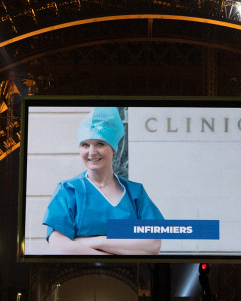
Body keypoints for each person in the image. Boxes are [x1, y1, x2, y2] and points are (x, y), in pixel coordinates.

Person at [43, 106, 164, 255]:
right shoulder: (68, 191)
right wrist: (111, 258)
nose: (92, 152)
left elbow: (153, 244)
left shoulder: (135, 193)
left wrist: (92, 241)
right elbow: (59, 247)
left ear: (113, 148)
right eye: (85, 145)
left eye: (100, 143)